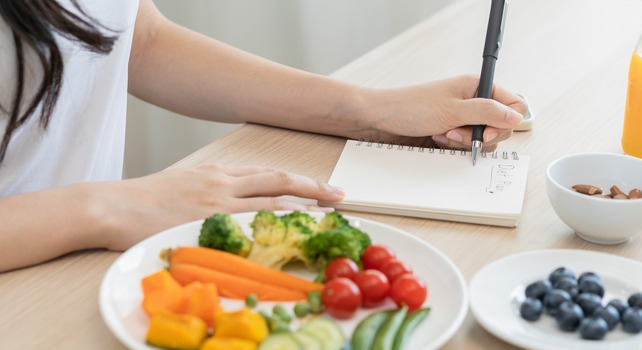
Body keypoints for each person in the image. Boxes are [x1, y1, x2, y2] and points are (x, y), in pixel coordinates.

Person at [0, 0, 527, 273]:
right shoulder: (106, 212)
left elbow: (138, 39)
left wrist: (371, 111)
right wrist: (105, 207)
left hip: (83, 266)